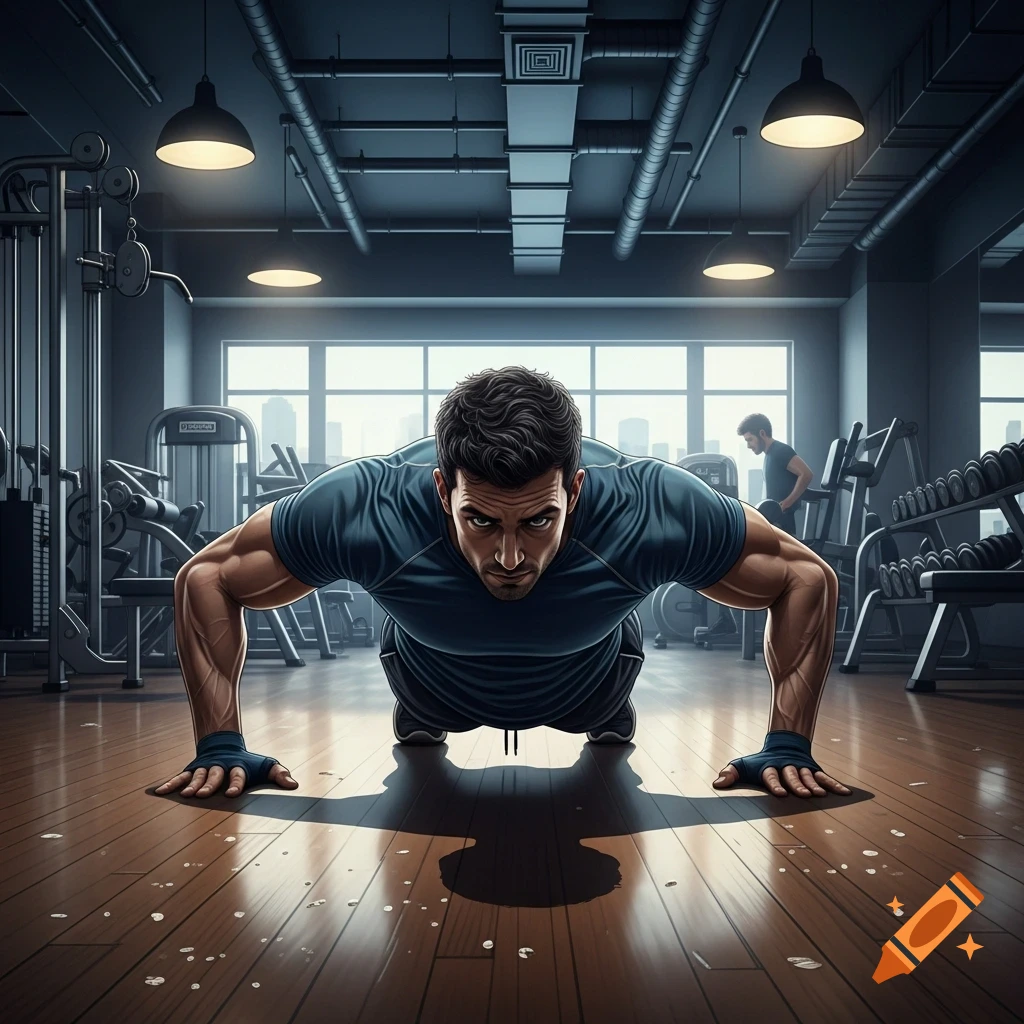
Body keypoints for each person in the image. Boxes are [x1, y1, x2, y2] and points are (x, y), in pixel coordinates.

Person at [156, 367, 851, 804]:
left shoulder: (648, 504)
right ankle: (423, 715)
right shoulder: (367, 504)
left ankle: (608, 714)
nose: (512, 555)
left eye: (540, 520)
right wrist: (220, 743)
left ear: (575, 490)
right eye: (480, 521)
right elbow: (209, 576)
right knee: (424, 708)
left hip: (592, 684)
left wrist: (788, 744)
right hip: (431, 681)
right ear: (440, 488)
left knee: (606, 712)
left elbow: (802, 577)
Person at [738, 413, 814, 537]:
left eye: (750, 439)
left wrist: (786, 503)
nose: (748, 445)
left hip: (782, 524)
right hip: (774, 522)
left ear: (762, 433)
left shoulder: (780, 451)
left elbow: (806, 474)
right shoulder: (769, 455)